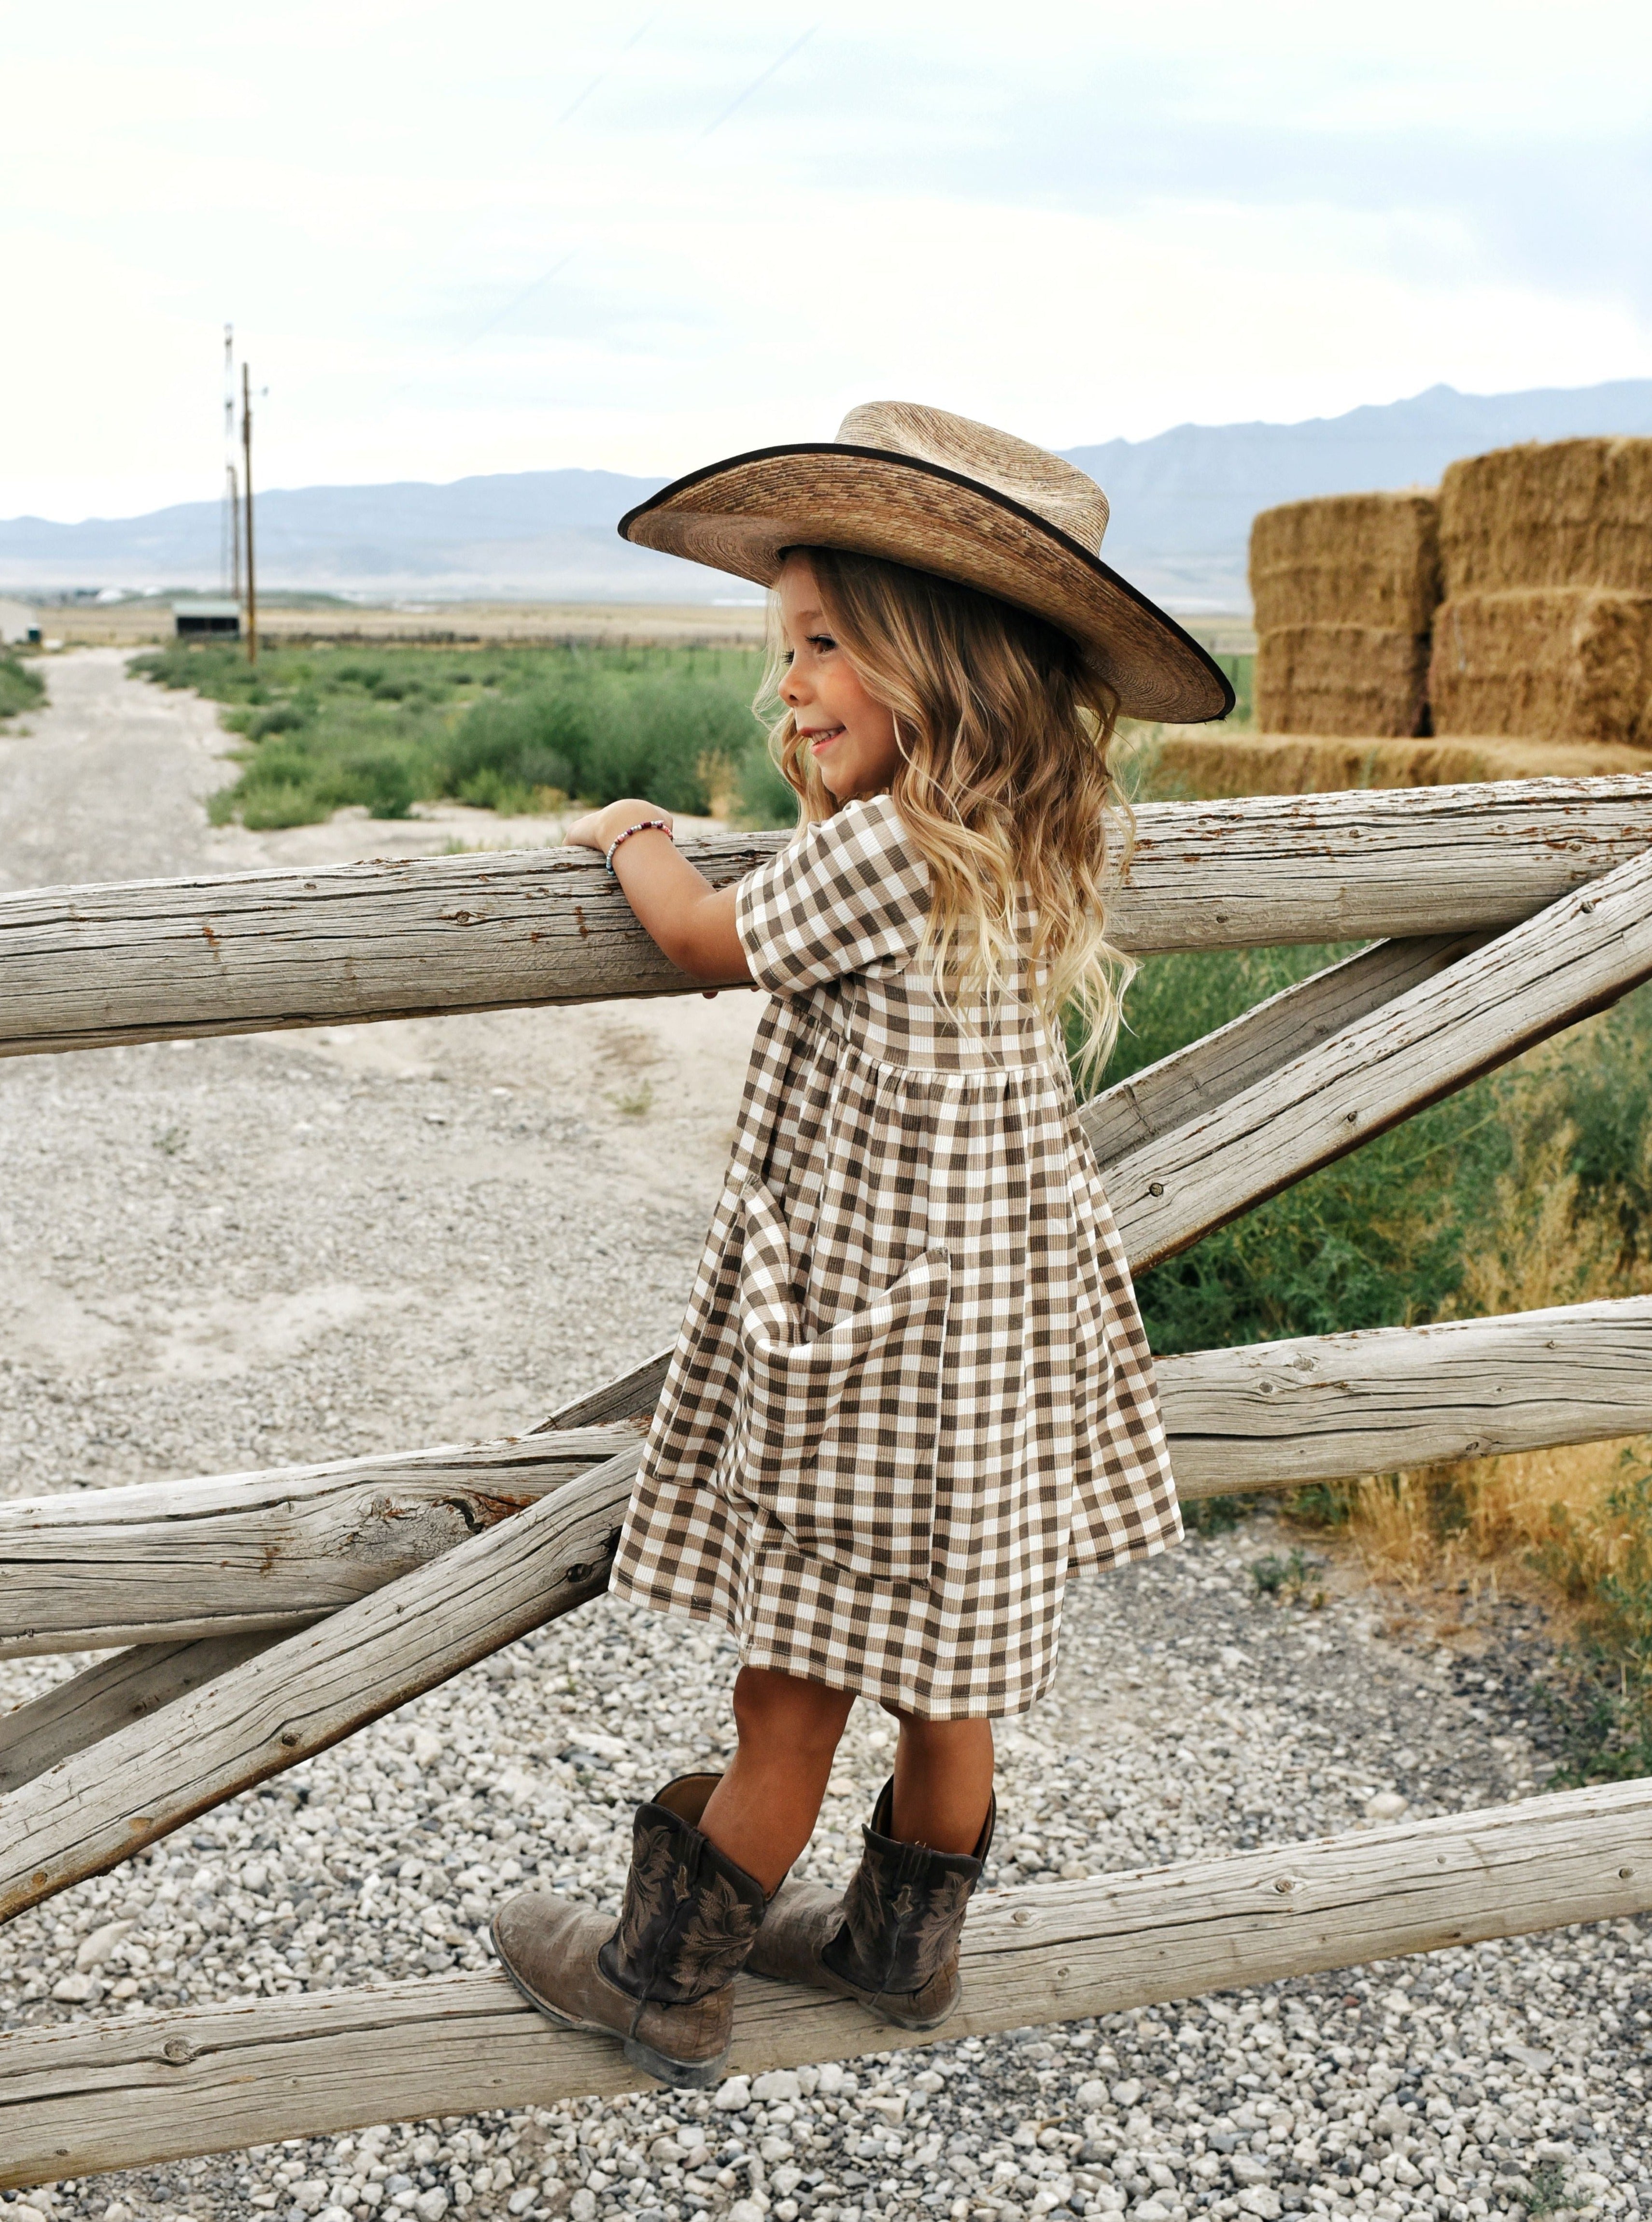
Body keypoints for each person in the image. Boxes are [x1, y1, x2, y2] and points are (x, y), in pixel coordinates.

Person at [491, 401, 1233, 2087]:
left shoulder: (885, 850)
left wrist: (628, 834)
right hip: (982, 1368)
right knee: (948, 1674)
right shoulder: (1033, 834)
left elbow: (694, 938)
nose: (788, 684)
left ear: (939, 664)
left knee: (793, 1686)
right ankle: (904, 1950)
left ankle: (663, 1973)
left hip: (866, 1360)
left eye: (821, 645)